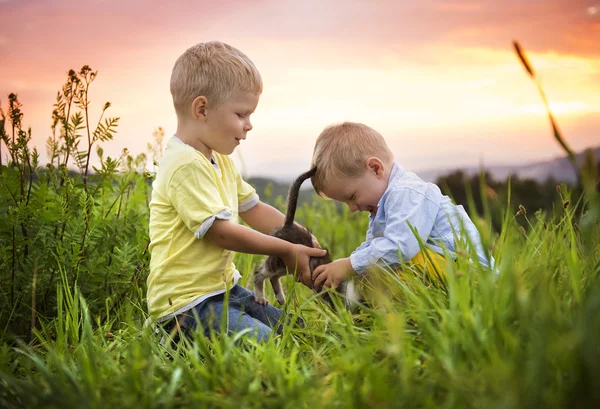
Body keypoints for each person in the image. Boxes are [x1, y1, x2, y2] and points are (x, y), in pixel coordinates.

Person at [147, 41, 326, 342]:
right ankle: (169, 337)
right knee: (267, 345)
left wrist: (297, 234)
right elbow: (220, 232)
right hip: (186, 306)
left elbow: (253, 208)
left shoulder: (221, 161)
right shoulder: (184, 165)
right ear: (202, 109)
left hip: (223, 290)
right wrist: (284, 249)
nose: (249, 125)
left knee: (296, 334)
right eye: (241, 114)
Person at [309, 122, 493, 289]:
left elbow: (400, 247)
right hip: (448, 271)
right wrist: (344, 267)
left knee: (397, 262)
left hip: (472, 276)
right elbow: (372, 245)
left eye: (352, 196)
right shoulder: (385, 203)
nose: (352, 208)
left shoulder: (407, 192)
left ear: (375, 169)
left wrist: (350, 265)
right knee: (375, 270)